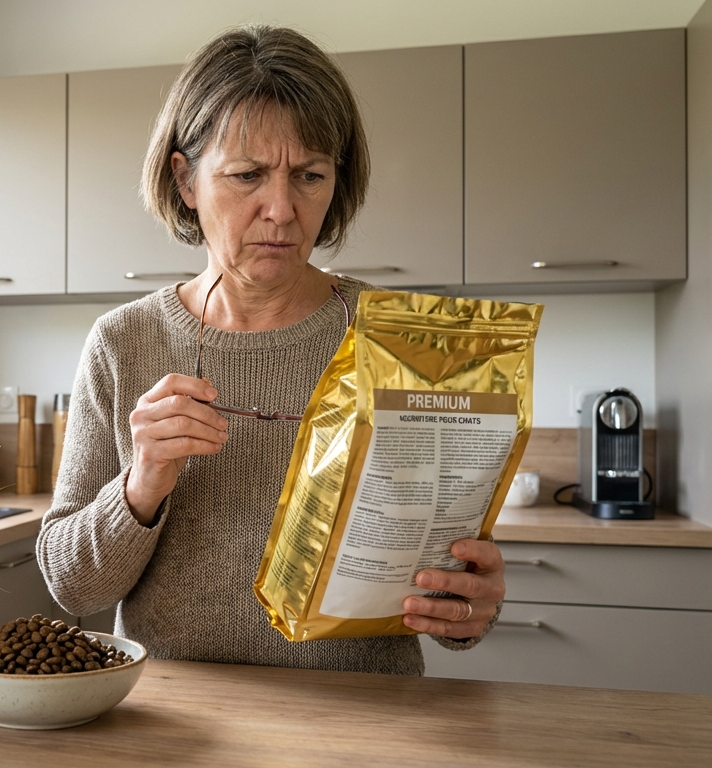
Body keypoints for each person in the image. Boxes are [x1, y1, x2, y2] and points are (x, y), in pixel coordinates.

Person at [35, 25, 504, 674]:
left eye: (309, 175)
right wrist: (140, 487)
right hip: (179, 724)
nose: (281, 210)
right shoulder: (123, 342)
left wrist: (469, 607)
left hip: (367, 720)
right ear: (186, 180)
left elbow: (452, 590)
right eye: (248, 175)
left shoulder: (405, 342)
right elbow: (72, 586)